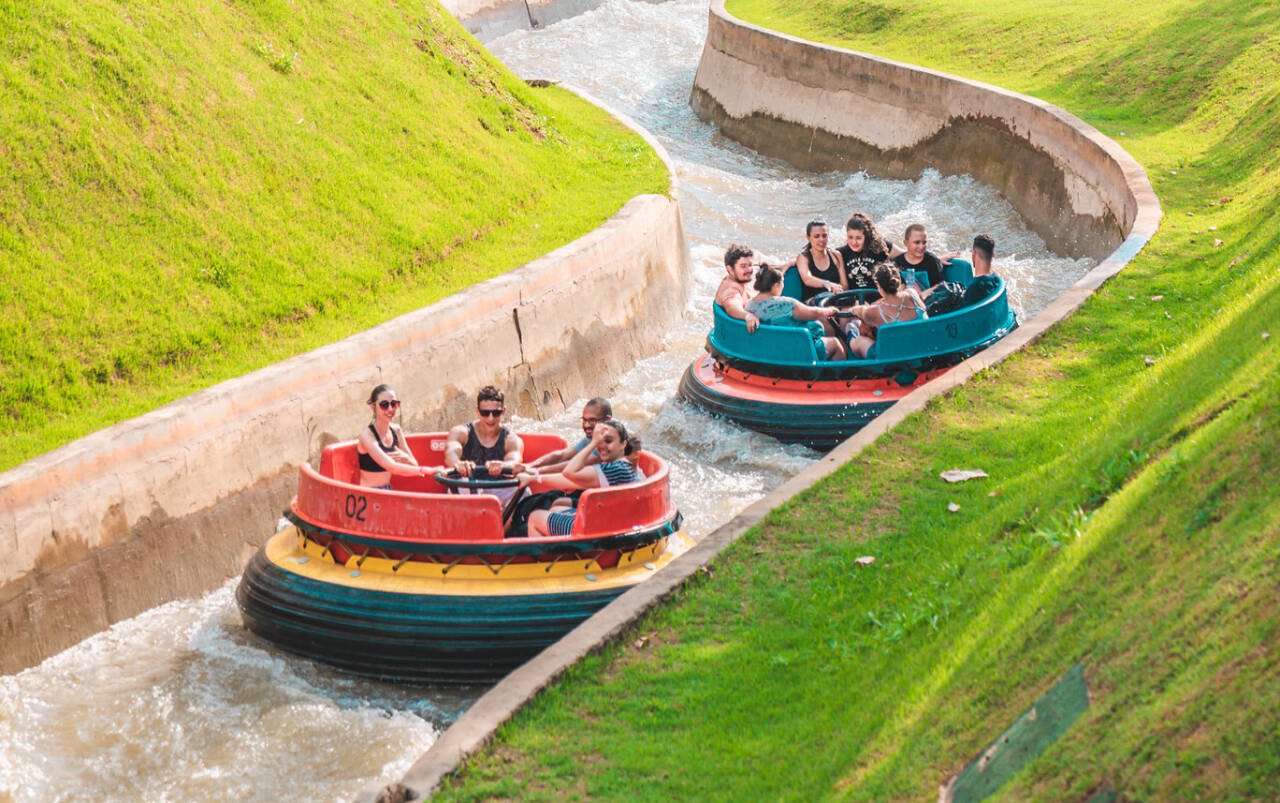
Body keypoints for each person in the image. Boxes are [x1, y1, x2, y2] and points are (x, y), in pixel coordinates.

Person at [519, 420, 644, 538]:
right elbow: (570, 481)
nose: (602, 446)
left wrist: (594, 443)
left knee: (535, 518)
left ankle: (548, 560)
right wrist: (533, 478)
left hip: (599, 530)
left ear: (623, 444)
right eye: (600, 441)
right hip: (609, 524)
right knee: (557, 507)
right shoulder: (620, 466)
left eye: (608, 441)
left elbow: (569, 472)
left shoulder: (615, 469)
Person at [442, 386, 524, 504]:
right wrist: (458, 464)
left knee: (523, 493)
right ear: (477, 411)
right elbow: (451, 453)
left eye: (496, 413)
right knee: (461, 487)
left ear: (503, 411)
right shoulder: (461, 432)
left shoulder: (511, 439)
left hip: (498, 488)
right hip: (467, 486)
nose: (490, 418)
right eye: (485, 413)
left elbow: (515, 461)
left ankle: (505, 521)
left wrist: (503, 465)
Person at [746, 265, 846, 360]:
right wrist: (828, 310)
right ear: (776, 285)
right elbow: (814, 313)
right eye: (782, 283)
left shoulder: (749, 305)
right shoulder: (786, 304)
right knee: (835, 343)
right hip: (799, 350)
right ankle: (840, 375)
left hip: (771, 349)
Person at [355, 384, 429, 489]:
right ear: (373, 407)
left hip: (388, 490)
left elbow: (414, 465)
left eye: (394, 404)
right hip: (369, 494)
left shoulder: (396, 430)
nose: (390, 409)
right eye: (384, 405)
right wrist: (429, 470)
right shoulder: (367, 435)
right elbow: (392, 467)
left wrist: (406, 458)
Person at [845, 265, 927, 358]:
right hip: (923, 347)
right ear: (899, 282)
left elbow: (859, 313)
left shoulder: (873, 311)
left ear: (879, 286)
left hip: (894, 356)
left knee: (855, 333)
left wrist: (854, 309)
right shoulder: (913, 293)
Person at [526, 397, 612, 474]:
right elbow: (562, 455)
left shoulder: (609, 441)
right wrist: (530, 465)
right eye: (584, 420)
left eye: (592, 420)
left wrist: (537, 471)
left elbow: (580, 463)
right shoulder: (591, 439)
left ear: (607, 420)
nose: (586, 425)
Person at [837, 213, 904, 292]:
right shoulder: (840, 253)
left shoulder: (881, 248)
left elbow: (907, 256)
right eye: (850, 237)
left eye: (858, 238)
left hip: (879, 298)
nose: (854, 242)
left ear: (867, 236)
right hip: (854, 300)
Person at [795, 220, 846, 302]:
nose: (821, 240)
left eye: (824, 235)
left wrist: (838, 291)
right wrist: (828, 284)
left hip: (835, 299)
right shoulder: (803, 257)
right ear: (808, 238)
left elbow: (844, 285)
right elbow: (807, 279)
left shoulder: (836, 255)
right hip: (812, 304)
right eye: (817, 236)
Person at [715, 244, 760, 332]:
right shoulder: (731, 290)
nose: (749, 270)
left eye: (750, 265)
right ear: (730, 269)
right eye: (743, 266)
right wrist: (747, 316)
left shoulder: (736, 279)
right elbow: (732, 306)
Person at [893, 223, 948, 296]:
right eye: (917, 242)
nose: (921, 246)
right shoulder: (897, 262)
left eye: (924, 242)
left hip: (928, 302)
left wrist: (920, 297)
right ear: (906, 243)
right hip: (905, 302)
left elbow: (940, 286)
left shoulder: (932, 261)